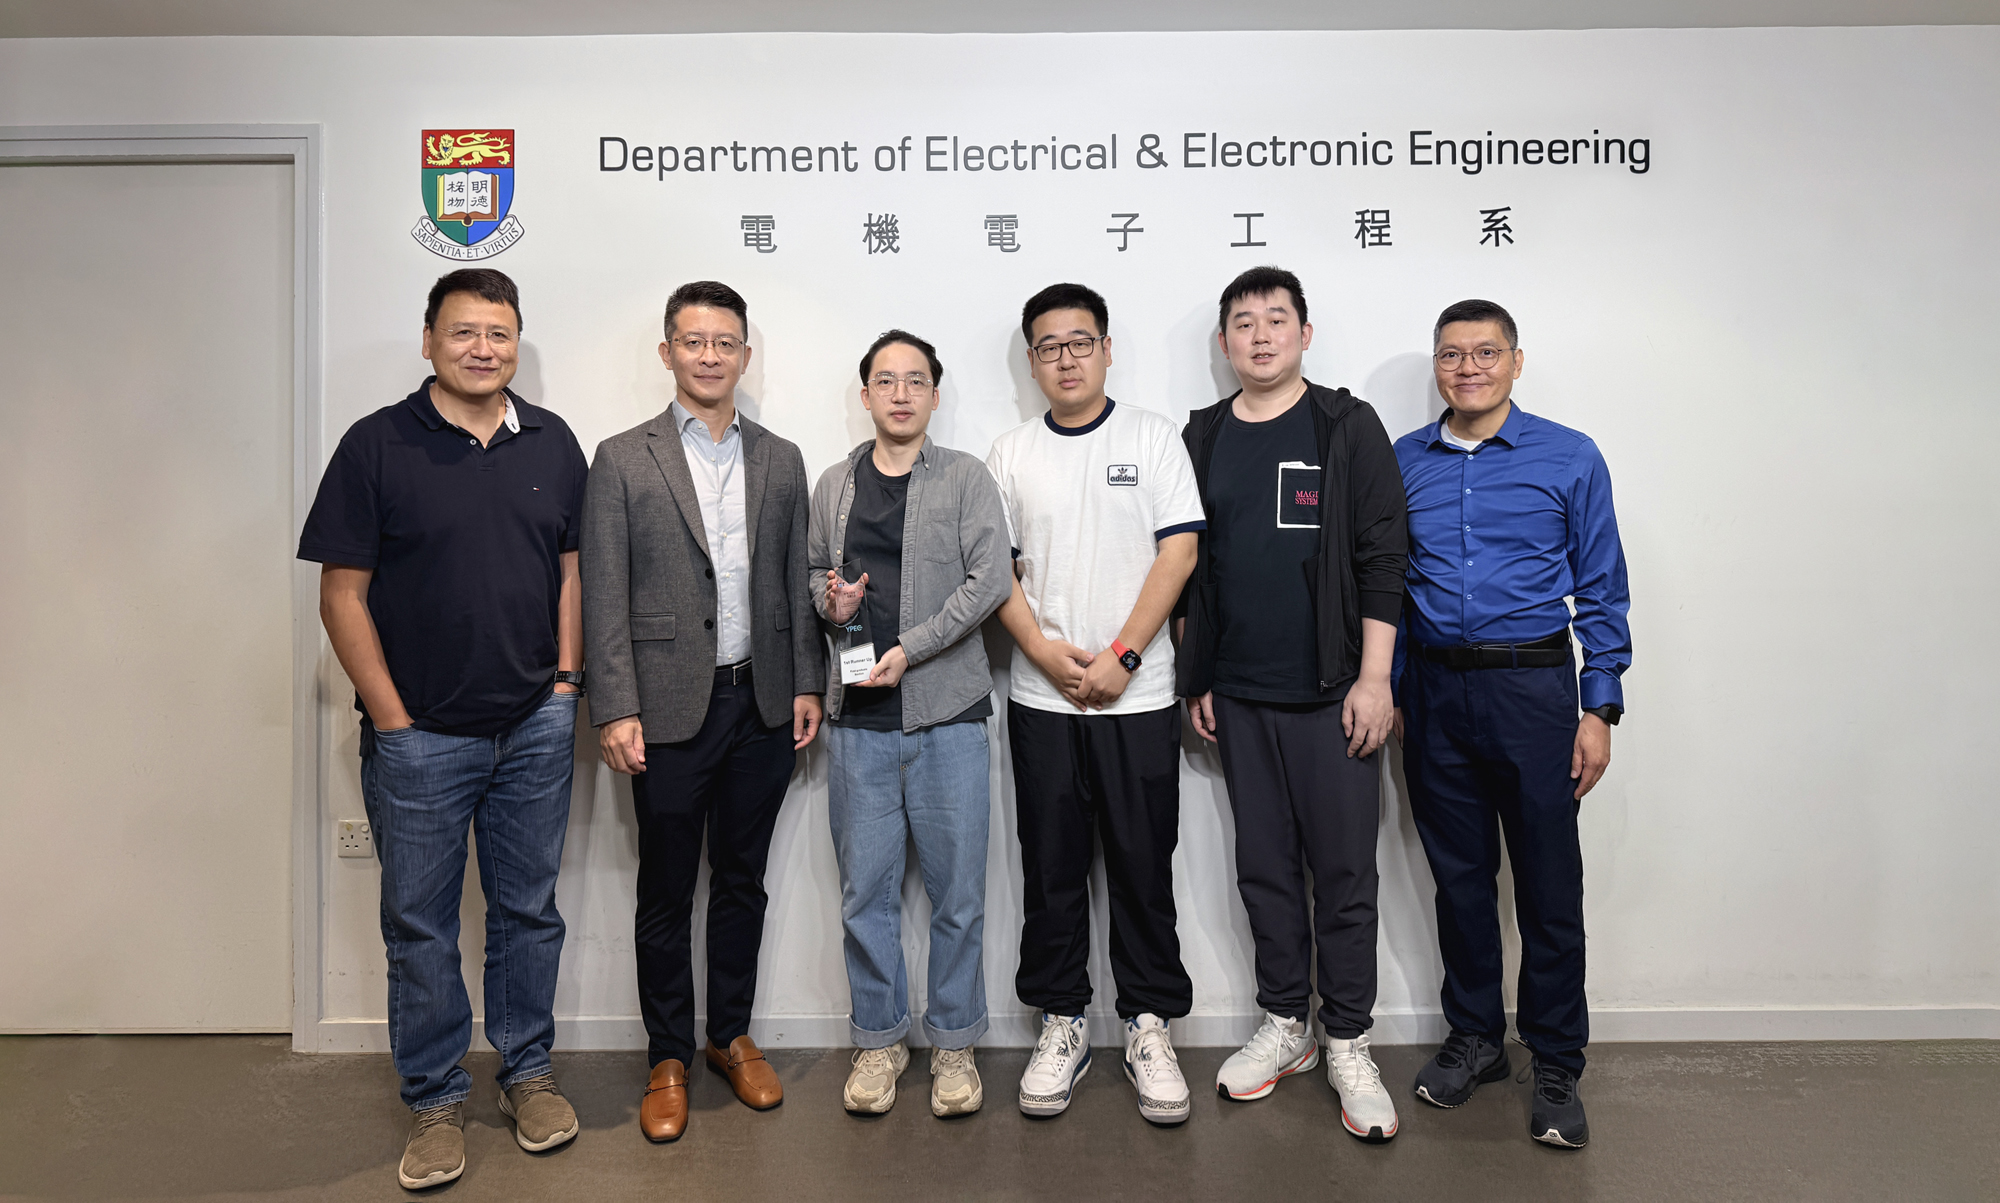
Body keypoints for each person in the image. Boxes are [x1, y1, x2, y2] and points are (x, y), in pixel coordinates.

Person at [299, 268, 587, 1190]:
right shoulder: (376, 445)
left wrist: (566, 685)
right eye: (463, 332)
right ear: (429, 340)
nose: (482, 348)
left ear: (516, 342)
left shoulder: (551, 440)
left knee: (527, 910)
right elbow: (340, 594)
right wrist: (392, 715)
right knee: (420, 926)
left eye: (499, 333)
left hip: (534, 726)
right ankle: (433, 1098)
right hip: (420, 736)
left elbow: (571, 570)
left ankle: (527, 1073)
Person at [580, 280, 825, 1144]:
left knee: (744, 878)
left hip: (759, 701)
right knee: (665, 889)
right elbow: (603, 592)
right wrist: (614, 706)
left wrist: (805, 683)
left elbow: (795, 584)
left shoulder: (783, 457)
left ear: (745, 355)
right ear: (668, 352)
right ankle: (667, 1054)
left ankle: (729, 1034)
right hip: (666, 708)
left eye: (726, 342)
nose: (710, 355)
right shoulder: (620, 457)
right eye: (694, 341)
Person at [1392, 298, 1632, 1149]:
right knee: (1458, 881)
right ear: (1436, 365)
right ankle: (1476, 1039)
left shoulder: (1570, 457)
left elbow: (1603, 592)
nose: (1468, 368)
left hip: (1534, 694)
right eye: (1452, 355)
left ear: (1516, 362)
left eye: (1485, 353)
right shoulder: (1403, 462)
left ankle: (1557, 1058)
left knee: (1545, 884)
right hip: (1432, 694)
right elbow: (1382, 586)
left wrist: (1598, 706)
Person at [1177, 267, 1408, 1141]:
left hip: (1334, 693)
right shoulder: (1202, 436)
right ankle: (1287, 1023)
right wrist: (1198, 673)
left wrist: (1375, 678)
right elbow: (1192, 566)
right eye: (1244, 322)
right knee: (1263, 866)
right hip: (1238, 693)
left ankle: (1348, 1035)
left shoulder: (1344, 425)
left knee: (1344, 873)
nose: (1261, 335)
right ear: (1226, 343)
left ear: (1305, 334)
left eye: (1278, 319)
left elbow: (1384, 556)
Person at [986, 283, 1203, 1125]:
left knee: (1145, 870)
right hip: (1042, 700)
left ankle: (1149, 1022)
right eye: (1048, 345)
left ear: (1107, 348)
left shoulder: (1153, 437)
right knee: (1051, 870)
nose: (1066, 358)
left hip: (1139, 696)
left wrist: (1121, 656)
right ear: (1032, 359)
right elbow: (998, 572)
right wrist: (1042, 650)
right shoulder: (1008, 454)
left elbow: (1178, 553)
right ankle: (1063, 1020)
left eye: (1080, 342)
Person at [808, 330, 1012, 1118]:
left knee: (959, 892)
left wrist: (910, 647)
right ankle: (881, 1038)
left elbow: (988, 579)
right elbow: (814, 582)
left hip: (948, 714)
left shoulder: (964, 478)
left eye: (915, 380)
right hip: (858, 717)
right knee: (868, 892)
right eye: (885, 381)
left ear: (935, 392)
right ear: (865, 395)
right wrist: (837, 606)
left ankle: (955, 1042)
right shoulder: (835, 483)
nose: (900, 393)